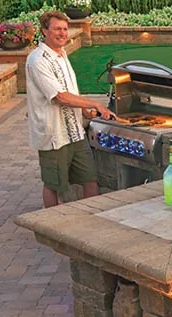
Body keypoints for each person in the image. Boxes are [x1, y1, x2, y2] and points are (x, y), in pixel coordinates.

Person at [25, 10, 115, 208]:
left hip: (75, 133)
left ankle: (89, 219)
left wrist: (85, 112)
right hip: (54, 136)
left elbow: (70, 91)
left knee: (90, 178)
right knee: (53, 185)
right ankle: (53, 223)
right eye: (57, 29)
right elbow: (60, 96)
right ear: (44, 31)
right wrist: (95, 104)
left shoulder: (62, 55)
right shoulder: (38, 60)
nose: (63, 33)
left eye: (65, 29)